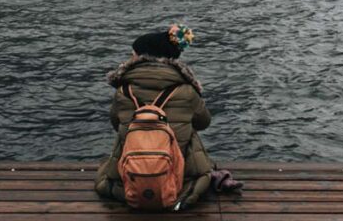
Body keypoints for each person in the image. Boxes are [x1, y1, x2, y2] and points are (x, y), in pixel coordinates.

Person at [95, 24, 242, 210]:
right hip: (178, 177)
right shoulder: (187, 90)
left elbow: (116, 125)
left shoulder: (123, 90)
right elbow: (204, 122)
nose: (130, 58)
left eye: (133, 54)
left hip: (132, 174)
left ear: (142, 58)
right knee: (190, 132)